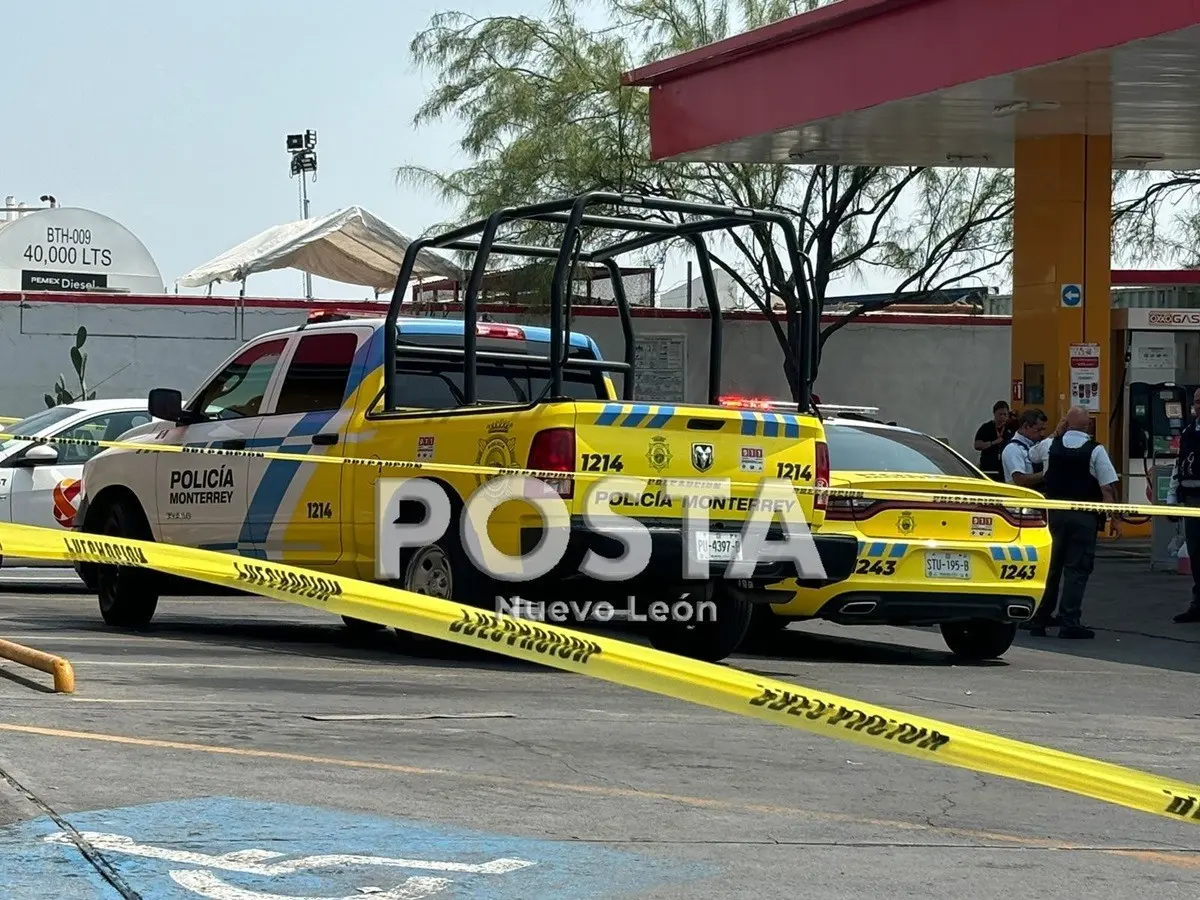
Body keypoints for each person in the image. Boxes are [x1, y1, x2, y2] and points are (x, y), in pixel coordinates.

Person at [1025, 406, 1120, 639]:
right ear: (1088, 426)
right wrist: (1114, 518)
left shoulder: (1050, 446)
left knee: (1050, 568)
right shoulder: (1096, 450)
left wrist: (1055, 433)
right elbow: (1107, 487)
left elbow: (1031, 455)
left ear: (1065, 423)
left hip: (1053, 515)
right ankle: (1069, 621)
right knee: (1077, 570)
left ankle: (1039, 619)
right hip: (1084, 516)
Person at [1165, 387, 1200, 623]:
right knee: (1197, 554)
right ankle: (1198, 604)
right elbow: (1179, 466)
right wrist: (1170, 498)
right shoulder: (1189, 431)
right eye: (1197, 401)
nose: (1199, 406)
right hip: (1190, 499)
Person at [1001, 408, 1048, 488]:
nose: (1042, 434)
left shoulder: (1035, 445)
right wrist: (1047, 473)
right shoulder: (1012, 449)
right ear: (1026, 426)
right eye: (1039, 430)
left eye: (1043, 430)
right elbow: (1020, 480)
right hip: (1019, 498)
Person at [974, 401, 1015, 480]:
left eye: (1005, 414)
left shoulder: (1011, 428)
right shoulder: (986, 427)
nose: (1003, 417)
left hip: (1005, 468)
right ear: (994, 413)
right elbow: (977, 445)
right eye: (1000, 414)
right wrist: (993, 443)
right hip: (989, 467)